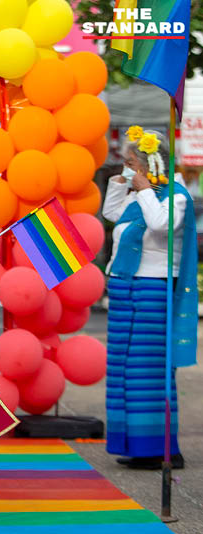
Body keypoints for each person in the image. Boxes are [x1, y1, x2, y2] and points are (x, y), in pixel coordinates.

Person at [102, 126, 198, 470]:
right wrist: (121, 182)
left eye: (130, 162)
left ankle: (161, 449)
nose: (126, 166)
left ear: (147, 165)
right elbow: (112, 215)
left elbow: (160, 226)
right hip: (126, 287)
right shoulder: (136, 194)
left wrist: (144, 190)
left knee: (149, 371)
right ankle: (135, 444)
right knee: (124, 369)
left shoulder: (176, 196)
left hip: (153, 288)